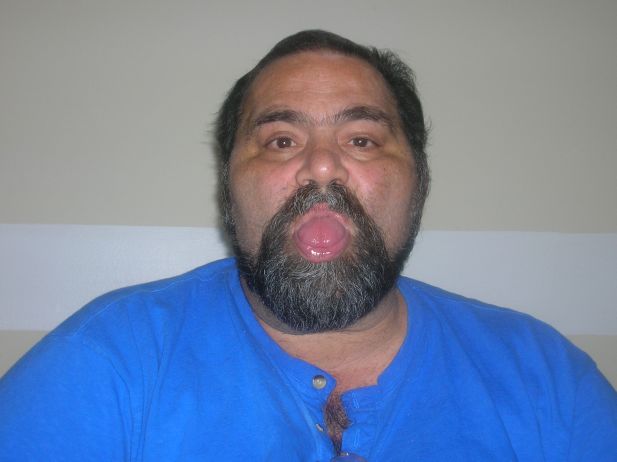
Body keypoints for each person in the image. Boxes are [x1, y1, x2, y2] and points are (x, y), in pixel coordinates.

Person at [0, 30, 616, 462]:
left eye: (362, 140)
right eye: (281, 142)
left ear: (420, 181)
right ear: (228, 187)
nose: (321, 167)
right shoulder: (104, 365)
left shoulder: (547, 380)